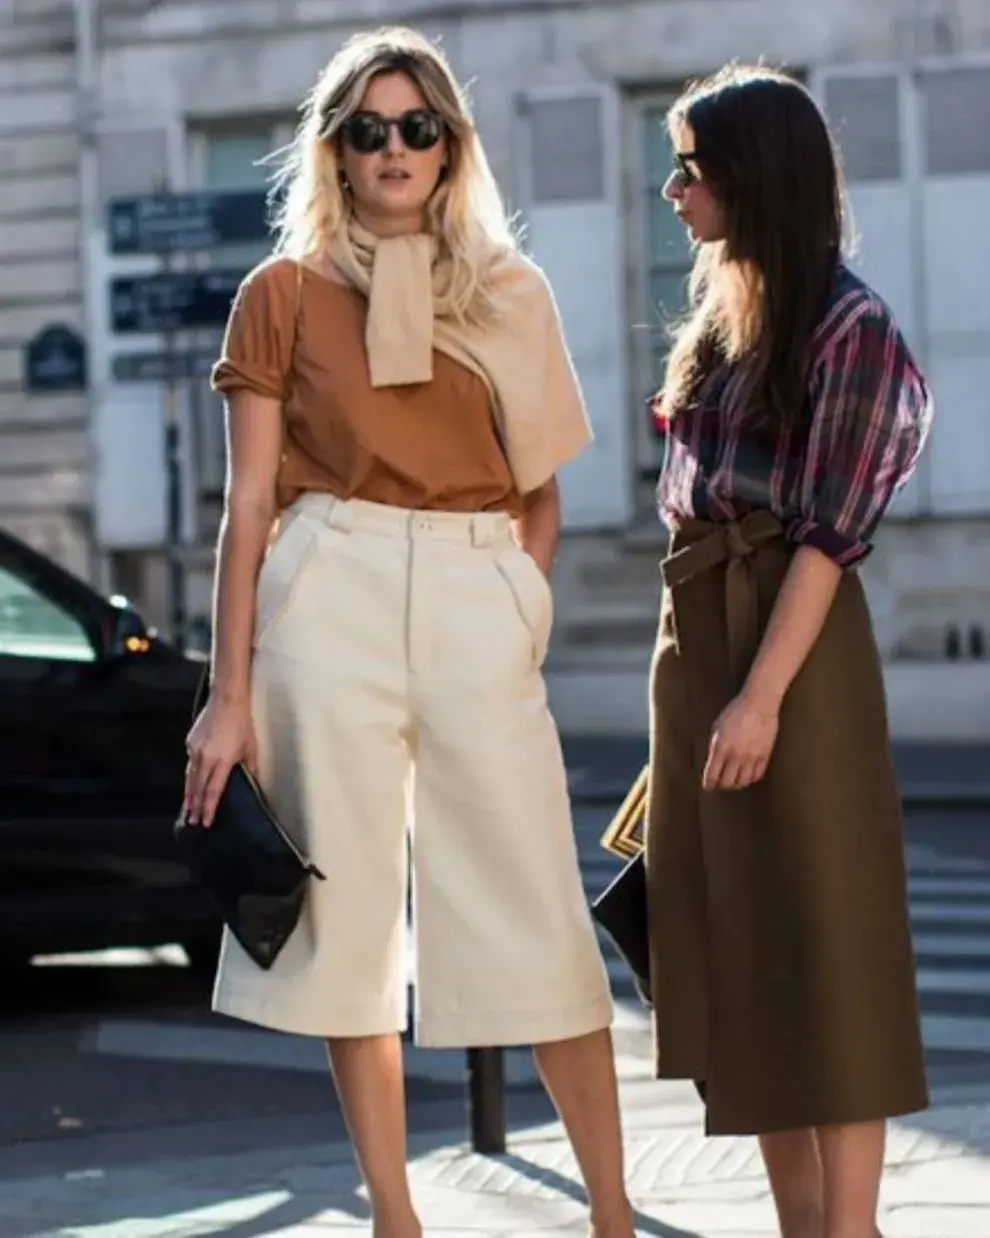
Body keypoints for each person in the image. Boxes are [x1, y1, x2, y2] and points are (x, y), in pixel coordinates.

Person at [182, 25, 635, 1238]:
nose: (394, 147)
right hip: (326, 590)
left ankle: (611, 1212)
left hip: (475, 584)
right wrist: (227, 693)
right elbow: (249, 504)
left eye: (417, 126)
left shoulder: (508, 290)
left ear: (450, 146)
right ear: (335, 148)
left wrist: (513, 604)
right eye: (368, 127)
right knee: (346, 925)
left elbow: (542, 489)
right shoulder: (280, 294)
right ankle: (395, 1213)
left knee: (536, 902)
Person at [644, 64, 932, 1238]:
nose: (671, 190)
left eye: (691, 168)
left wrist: (759, 696)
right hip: (698, 629)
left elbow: (826, 540)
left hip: (794, 648)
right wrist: (699, 684)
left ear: (751, 178)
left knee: (832, 936)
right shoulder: (721, 319)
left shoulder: (853, 326)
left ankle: (850, 1227)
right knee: (740, 946)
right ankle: (802, 1227)